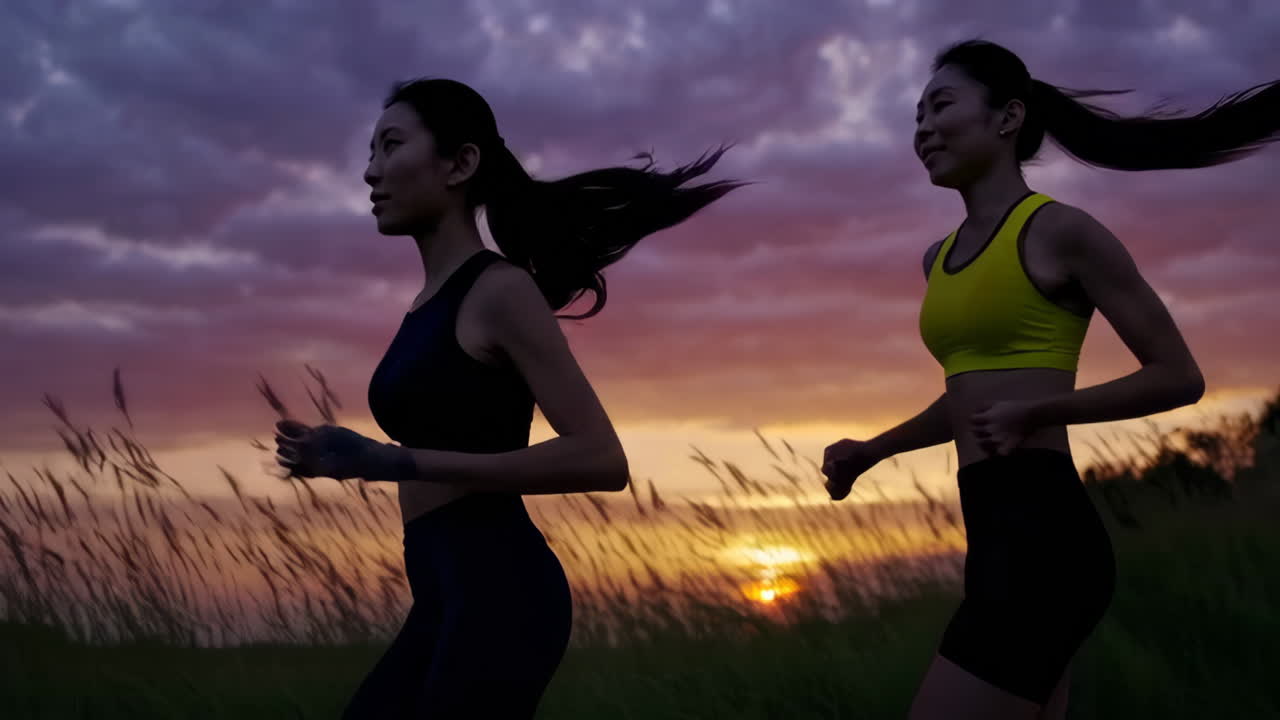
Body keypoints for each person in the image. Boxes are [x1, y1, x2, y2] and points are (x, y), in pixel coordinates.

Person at [821, 39, 1280, 720]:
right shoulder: (937, 259)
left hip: (1046, 539)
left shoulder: (1061, 232)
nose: (921, 128)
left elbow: (1178, 377)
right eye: (915, 115)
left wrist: (1040, 409)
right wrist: (873, 450)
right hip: (992, 533)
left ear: (1007, 118)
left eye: (940, 105)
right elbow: (969, 397)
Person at [273, 77, 745, 718]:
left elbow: (601, 458)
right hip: (443, 595)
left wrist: (395, 461)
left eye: (390, 146)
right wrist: (346, 452)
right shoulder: (426, 305)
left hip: (503, 594)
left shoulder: (499, 291)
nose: (369, 172)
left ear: (460, 164)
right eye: (370, 152)